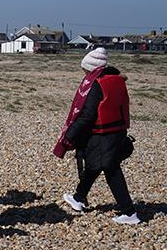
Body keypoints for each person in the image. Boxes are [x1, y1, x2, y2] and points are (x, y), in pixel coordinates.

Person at [56, 48, 139, 225]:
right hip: (118, 131)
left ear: (91, 68)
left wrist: (68, 137)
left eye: (85, 70)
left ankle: (129, 212)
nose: (84, 73)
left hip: (102, 134)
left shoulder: (97, 84)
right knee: (96, 165)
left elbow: (87, 114)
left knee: (110, 168)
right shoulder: (116, 79)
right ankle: (78, 198)